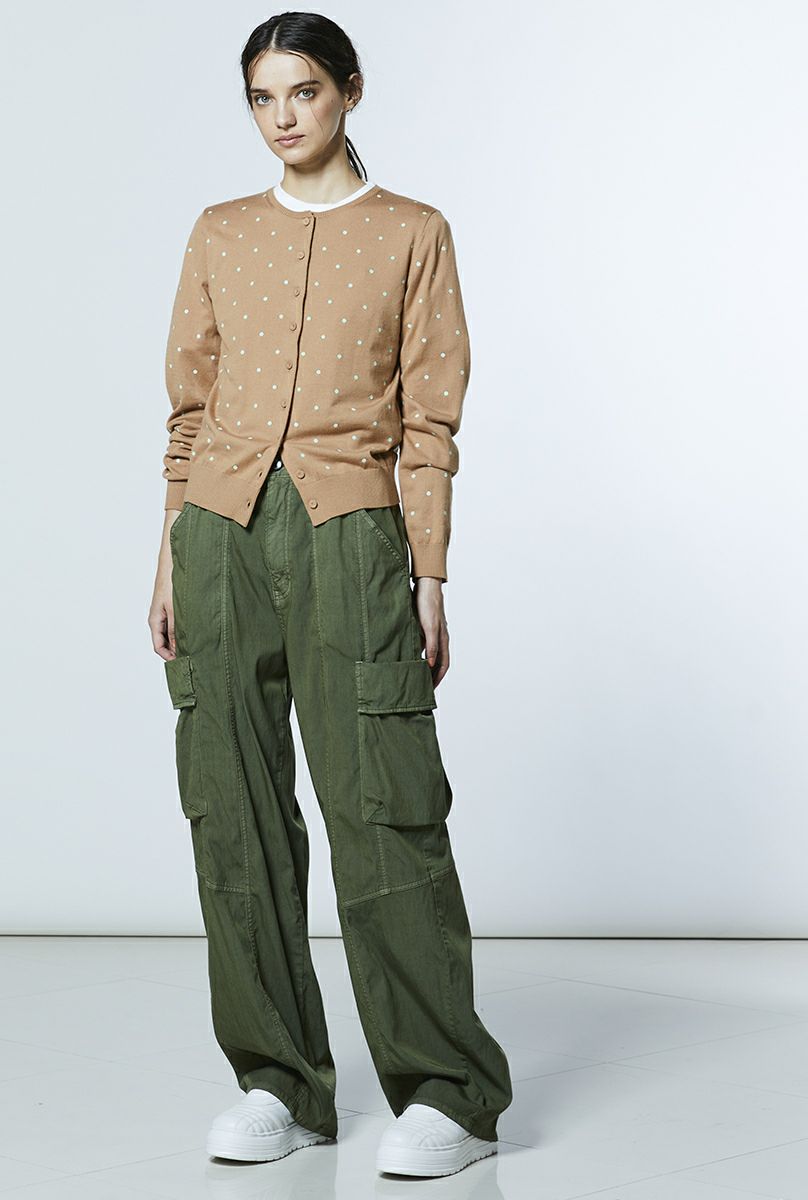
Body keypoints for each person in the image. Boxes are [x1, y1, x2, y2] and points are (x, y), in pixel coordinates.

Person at [149, 11, 513, 1180]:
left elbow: (430, 421)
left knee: (383, 807)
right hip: (217, 535)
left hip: (351, 535)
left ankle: (446, 1090)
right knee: (232, 810)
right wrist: (166, 558)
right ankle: (279, 1082)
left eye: (302, 91)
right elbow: (188, 415)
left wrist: (430, 573)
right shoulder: (219, 232)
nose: (282, 117)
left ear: (349, 90)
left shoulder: (412, 233)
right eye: (262, 98)